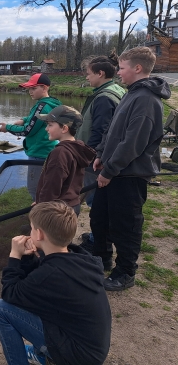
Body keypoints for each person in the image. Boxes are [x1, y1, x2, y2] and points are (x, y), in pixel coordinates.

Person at [0, 201, 111, 365]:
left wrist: (14, 256)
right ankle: (41, 355)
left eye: (31, 228)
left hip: (78, 356)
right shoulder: (79, 258)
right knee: (36, 302)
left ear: (39, 234)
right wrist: (27, 257)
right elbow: (31, 286)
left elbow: (10, 293)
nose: (29, 231)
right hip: (91, 350)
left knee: (0, 309)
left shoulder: (51, 274)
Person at [90, 46, 171, 291]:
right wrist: (101, 154)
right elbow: (114, 128)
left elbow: (133, 143)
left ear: (137, 68)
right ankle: (100, 258)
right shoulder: (131, 92)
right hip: (113, 168)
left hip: (129, 174)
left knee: (125, 225)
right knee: (99, 218)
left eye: (122, 68)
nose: (118, 73)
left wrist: (109, 170)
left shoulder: (147, 100)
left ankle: (125, 272)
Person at [75, 53, 126, 251]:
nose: (87, 77)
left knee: (96, 202)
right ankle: (99, 237)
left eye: (89, 74)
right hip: (102, 157)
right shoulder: (115, 90)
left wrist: (88, 155)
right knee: (99, 200)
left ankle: (99, 243)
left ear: (101, 73)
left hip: (95, 159)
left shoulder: (104, 98)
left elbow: (101, 131)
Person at [0, 73, 62, 200]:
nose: (30, 92)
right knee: (45, 187)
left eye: (34, 88)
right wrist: (24, 119)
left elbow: (27, 131)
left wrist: (8, 128)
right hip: (48, 150)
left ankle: (41, 216)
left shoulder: (41, 106)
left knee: (35, 189)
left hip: (39, 153)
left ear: (44, 88)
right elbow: (37, 120)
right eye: (29, 89)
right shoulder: (52, 103)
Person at [34, 105, 96, 215]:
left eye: (50, 125)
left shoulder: (60, 153)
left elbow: (51, 186)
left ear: (64, 128)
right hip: (72, 206)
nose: (46, 129)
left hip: (56, 211)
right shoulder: (77, 148)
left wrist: (41, 206)